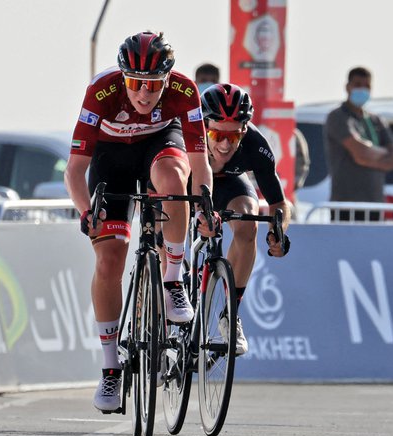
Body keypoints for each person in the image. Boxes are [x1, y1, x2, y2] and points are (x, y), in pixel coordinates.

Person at [64, 31, 214, 413]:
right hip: (110, 158)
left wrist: (204, 203)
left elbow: (200, 163)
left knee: (173, 180)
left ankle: (172, 279)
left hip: (159, 144)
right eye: (135, 84)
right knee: (109, 259)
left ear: (167, 80)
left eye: (153, 86)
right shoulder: (101, 91)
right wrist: (86, 212)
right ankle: (111, 368)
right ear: (123, 77)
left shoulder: (185, 90)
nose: (144, 95)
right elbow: (75, 170)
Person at [200, 83, 292, 355]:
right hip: (191, 181)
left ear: (244, 131)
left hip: (230, 185)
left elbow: (278, 203)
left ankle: (230, 314)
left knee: (249, 223)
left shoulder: (255, 145)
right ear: (205, 126)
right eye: (217, 135)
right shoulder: (186, 134)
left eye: (234, 136)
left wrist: (279, 231)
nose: (226, 144)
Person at [324, 67, 393, 221]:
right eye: (358, 84)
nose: (362, 89)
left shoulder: (376, 120)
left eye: (366, 86)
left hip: (374, 203)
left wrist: (370, 155)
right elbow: (360, 153)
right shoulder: (338, 117)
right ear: (347, 87)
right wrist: (383, 153)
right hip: (346, 205)